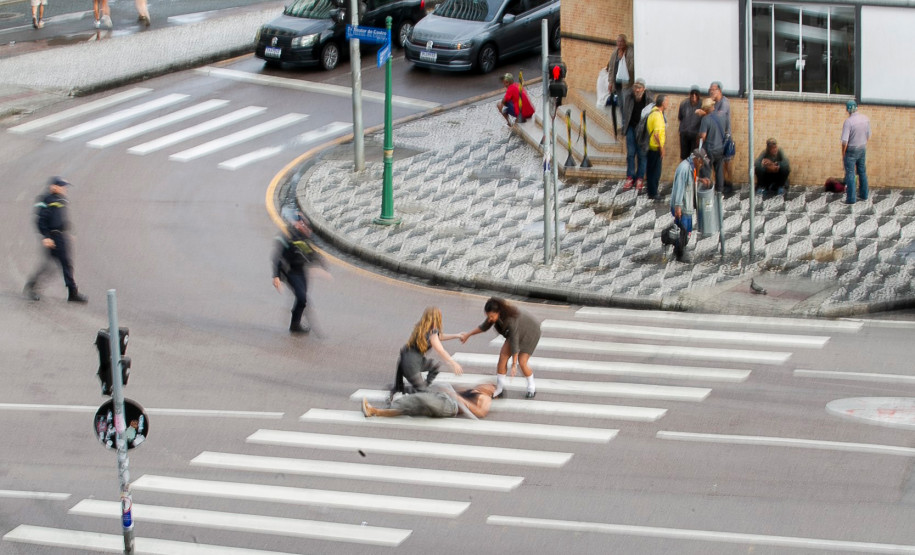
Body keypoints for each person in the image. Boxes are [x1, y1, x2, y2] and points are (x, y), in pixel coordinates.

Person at [459, 297, 540, 399]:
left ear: (499, 312)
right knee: (503, 357)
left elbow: (514, 341)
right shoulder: (494, 316)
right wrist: (468, 335)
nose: (490, 319)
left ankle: (531, 387)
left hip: (530, 333)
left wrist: (514, 364)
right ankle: (499, 389)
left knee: (522, 362)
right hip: (514, 333)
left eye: (491, 316)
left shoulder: (511, 320)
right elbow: (483, 327)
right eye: (488, 316)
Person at [24, 177, 88, 303]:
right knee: (50, 266)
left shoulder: (62, 200)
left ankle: (72, 293)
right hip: (53, 237)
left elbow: (61, 219)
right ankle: (32, 287)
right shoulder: (46, 200)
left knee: (66, 264)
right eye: (62, 186)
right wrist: (46, 236)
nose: (65, 188)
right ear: (53, 187)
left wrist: (70, 231)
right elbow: (41, 220)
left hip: (62, 237)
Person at [392, 307, 463, 396]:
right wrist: (453, 363)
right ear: (437, 318)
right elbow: (441, 350)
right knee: (423, 394)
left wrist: (456, 335)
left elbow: (439, 336)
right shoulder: (431, 333)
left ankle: (422, 386)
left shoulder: (421, 327)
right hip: (412, 364)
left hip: (406, 359)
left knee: (435, 367)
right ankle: (415, 391)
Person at [272, 212, 323, 334]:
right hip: (290, 271)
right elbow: (278, 258)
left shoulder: (304, 236)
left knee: (303, 299)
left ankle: (295, 325)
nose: (303, 225)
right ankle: (296, 325)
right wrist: (276, 276)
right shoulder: (288, 237)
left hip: (301, 271)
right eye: (301, 222)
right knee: (301, 297)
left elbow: (310, 253)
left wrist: (320, 265)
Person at [363, 383, 497, 420]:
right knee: (413, 408)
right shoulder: (475, 390)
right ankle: (375, 411)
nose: (485, 384)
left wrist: (458, 397)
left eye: (490, 385)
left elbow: (480, 412)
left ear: (493, 390)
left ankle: (386, 406)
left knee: (420, 399)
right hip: (444, 399)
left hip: (450, 406)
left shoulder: (486, 398)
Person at [669, 148, 710, 263]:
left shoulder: (690, 168)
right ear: (697, 159)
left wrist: (701, 180)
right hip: (682, 206)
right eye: (701, 162)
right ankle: (680, 253)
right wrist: (678, 206)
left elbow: (690, 180)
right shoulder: (684, 168)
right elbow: (680, 187)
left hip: (686, 205)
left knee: (684, 229)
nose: (702, 165)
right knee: (684, 231)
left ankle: (678, 250)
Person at [621, 78, 653, 191]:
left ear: (644, 89)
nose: (637, 90)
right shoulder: (629, 97)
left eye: (639, 88)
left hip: (643, 130)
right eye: (635, 87)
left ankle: (640, 178)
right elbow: (624, 112)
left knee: (642, 154)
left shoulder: (649, 100)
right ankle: (630, 177)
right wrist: (623, 127)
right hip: (631, 127)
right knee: (630, 153)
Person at [841, 100, 871, 204]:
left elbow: (844, 141)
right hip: (862, 148)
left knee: (850, 174)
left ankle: (851, 199)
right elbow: (868, 136)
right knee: (862, 172)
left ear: (848, 110)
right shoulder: (865, 119)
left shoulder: (848, 122)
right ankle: (864, 195)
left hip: (851, 150)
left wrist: (843, 153)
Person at [708, 81, 734, 195]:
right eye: (710, 90)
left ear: (719, 91)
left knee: (727, 162)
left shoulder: (724, 102)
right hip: (716, 138)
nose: (711, 92)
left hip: (725, 136)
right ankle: (722, 184)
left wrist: (706, 110)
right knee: (720, 162)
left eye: (713, 90)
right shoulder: (713, 103)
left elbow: (719, 116)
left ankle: (730, 183)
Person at [697, 97, 728, 194]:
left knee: (706, 170)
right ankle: (719, 191)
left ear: (706, 108)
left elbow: (703, 136)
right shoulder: (722, 116)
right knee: (719, 170)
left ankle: (706, 191)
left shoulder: (705, 119)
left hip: (709, 149)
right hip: (721, 148)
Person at [606, 34, 634, 135]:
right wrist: (610, 82)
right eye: (618, 42)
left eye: (621, 42)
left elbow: (631, 68)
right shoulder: (614, 53)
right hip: (617, 84)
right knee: (621, 106)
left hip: (626, 85)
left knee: (626, 106)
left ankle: (626, 126)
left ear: (625, 42)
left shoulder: (630, 52)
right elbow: (611, 69)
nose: (619, 44)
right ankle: (623, 125)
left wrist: (623, 59)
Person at [645, 94, 668, 200]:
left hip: (650, 147)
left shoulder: (652, 113)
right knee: (655, 172)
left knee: (650, 170)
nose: (667, 103)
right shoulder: (658, 116)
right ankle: (653, 193)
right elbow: (656, 135)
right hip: (655, 148)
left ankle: (651, 191)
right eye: (667, 101)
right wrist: (661, 148)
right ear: (662, 103)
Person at [678, 85, 703, 160]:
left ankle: (693, 172)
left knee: (694, 157)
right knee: (684, 156)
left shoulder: (702, 105)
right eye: (692, 93)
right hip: (684, 133)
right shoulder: (684, 104)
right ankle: (684, 171)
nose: (694, 96)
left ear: (699, 95)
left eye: (696, 94)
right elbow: (680, 117)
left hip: (696, 135)